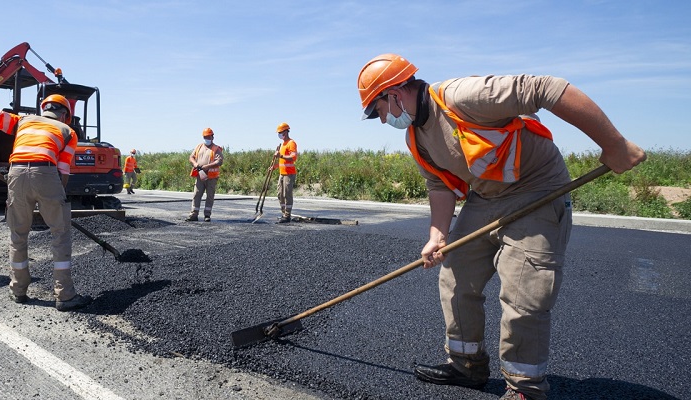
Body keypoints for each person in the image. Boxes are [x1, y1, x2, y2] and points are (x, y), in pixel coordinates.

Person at [357, 54, 645, 400]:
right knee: (455, 274)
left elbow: (547, 89)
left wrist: (613, 144)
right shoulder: (417, 139)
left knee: (524, 293)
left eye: (379, 110)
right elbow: (439, 186)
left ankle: (524, 388)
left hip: (537, 189)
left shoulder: (461, 97)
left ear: (394, 94)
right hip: (487, 196)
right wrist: (437, 235)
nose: (382, 119)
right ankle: (466, 365)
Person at [0, 94, 91, 311]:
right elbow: (63, 171)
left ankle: (18, 290)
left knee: (18, 234)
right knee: (60, 234)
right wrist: (58, 198)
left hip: (17, 172)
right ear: (65, 115)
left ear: (44, 109)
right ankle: (65, 295)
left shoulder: (23, 120)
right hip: (47, 171)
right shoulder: (68, 132)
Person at [186, 127, 223, 222]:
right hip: (200, 175)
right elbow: (191, 157)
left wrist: (208, 166)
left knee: (210, 196)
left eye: (208, 136)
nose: (206, 138)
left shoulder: (216, 149)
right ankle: (194, 214)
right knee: (197, 194)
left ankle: (207, 215)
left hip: (211, 177)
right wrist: (195, 164)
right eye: (205, 137)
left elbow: (219, 161)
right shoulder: (199, 147)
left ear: (212, 137)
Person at [271, 122, 298, 223]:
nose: (279, 134)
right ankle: (283, 213)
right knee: (280, 194)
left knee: (287, 194)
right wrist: (275, 166)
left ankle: (287, 215)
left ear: (286, 132)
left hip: (289, 174)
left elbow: (293, 157)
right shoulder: (282, 144)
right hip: (282, 173)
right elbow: (283, 162)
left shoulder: (291, 143)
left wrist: (280, 156)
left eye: (280, 132)